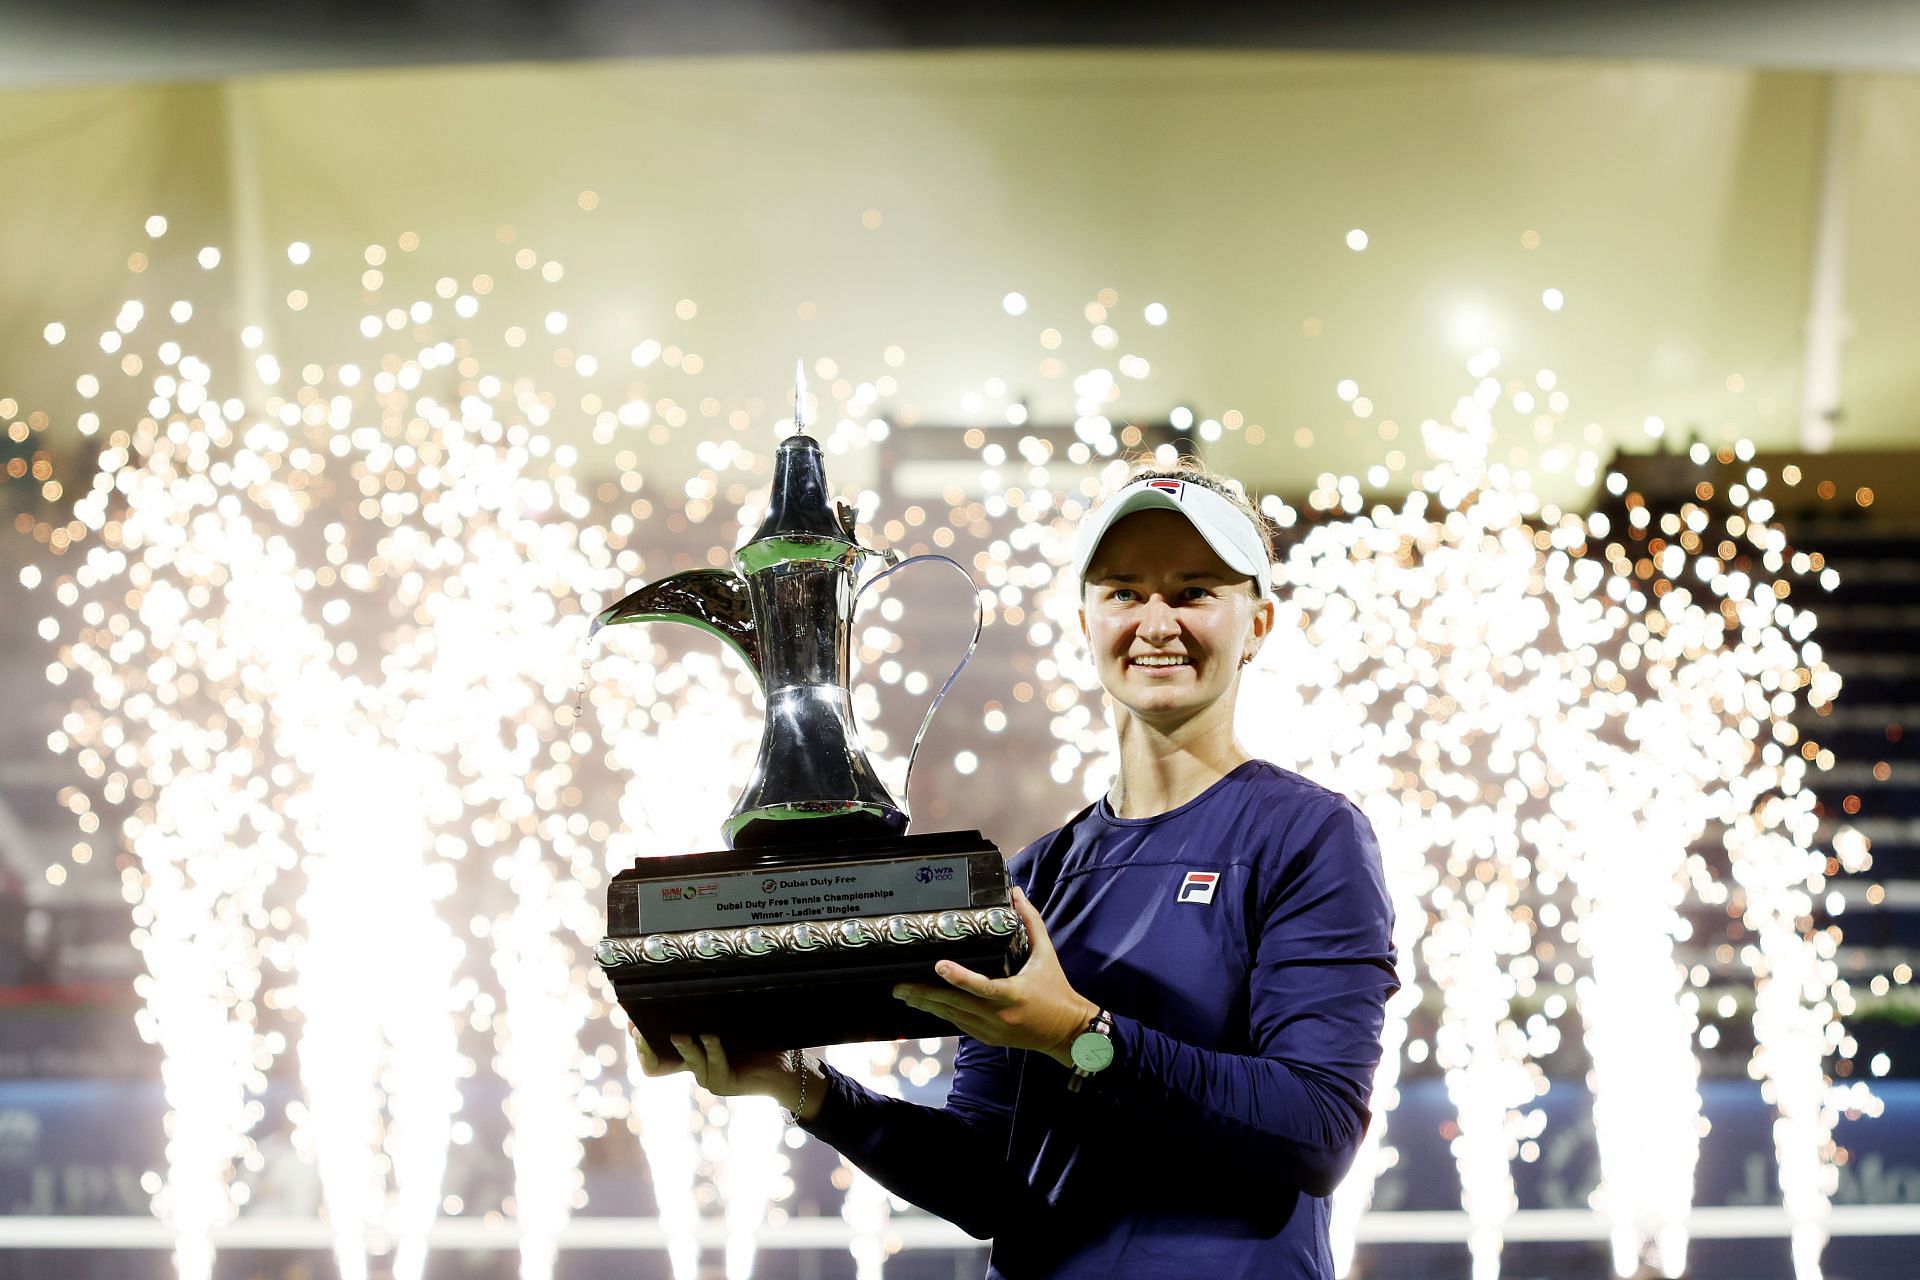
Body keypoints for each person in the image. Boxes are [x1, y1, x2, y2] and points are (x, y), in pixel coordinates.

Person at [634, 458, 1398, 1279]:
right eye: (1123, 591)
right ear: (1085, 620)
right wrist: (808, 1088)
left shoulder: (1310, 837)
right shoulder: (1038, 876)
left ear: (1260, 622)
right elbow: (986, 1182)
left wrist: (1079, 1036)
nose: (1156, 621)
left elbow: (1316, 1130)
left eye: (1195, 590)